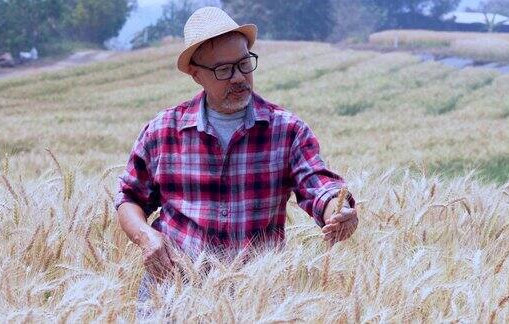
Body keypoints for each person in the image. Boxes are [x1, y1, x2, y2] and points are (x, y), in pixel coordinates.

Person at [114, 7, 358, 286]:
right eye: (224, 69)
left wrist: (337, 211)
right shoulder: (163, 131)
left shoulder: (286, 130)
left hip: (255, 296)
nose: (240, 77)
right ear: (196, 75)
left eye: (244, 63)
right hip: (172, 292)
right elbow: (129, 197)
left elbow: (317, 184)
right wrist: (146, 237)